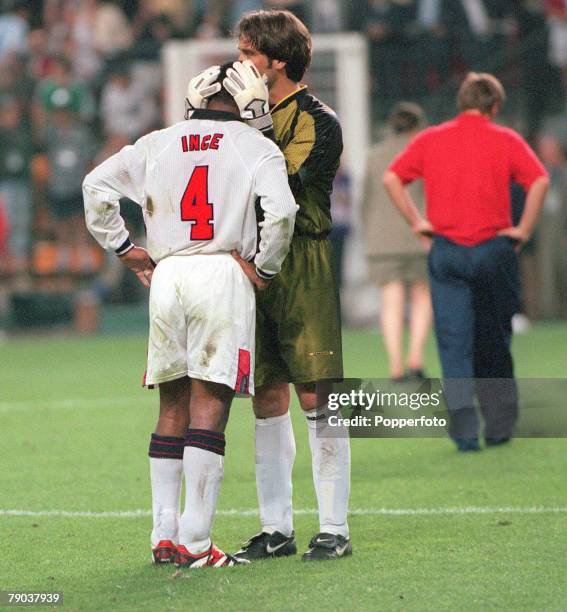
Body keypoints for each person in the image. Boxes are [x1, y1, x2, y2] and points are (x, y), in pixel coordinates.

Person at [83, 63, 297, 568]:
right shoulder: (254, 145)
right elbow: (283, 212)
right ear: (249, 102)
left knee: (173, 402)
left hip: (168, 274)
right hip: (222, 272)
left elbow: (96, 187)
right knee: (211, 403)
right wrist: (264, 267)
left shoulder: (157, 141)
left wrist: (124, 249)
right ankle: (197, 543)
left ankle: (164, 535)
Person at [226, 9, 351, 561]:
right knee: (265, 396)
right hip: (250, 264)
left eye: (250, 53)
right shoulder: (232, 118)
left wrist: (254, 127)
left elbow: (289, 189)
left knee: (316, 394)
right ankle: (276, 528)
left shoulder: (320, 120)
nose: (241, 63)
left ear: (278, 60)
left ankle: (334, 528)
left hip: (303, 261)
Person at [383, 72, 549, 451]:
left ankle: (464, 433)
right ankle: (499, 426)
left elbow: (392, 178)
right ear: (495, 106)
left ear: (460, 102)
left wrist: (417, 223)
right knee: (494, 340)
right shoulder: (506, 139)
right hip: (494, 250)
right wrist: (522, 229)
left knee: (454, 344)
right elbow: (539, 179)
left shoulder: (431, 139)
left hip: (447, 250)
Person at [362, 102, 432, 382]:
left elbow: (365, 199)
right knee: (422, 297)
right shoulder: (424, 152)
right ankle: (415, 358)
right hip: (420, 236)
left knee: (391, 302)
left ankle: (395, 366)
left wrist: (370, 232)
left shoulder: (375, 155)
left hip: (382, 240)